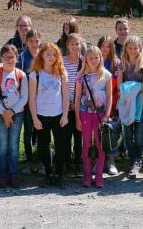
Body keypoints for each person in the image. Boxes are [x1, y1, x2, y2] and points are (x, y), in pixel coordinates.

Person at [28, 43, 69, 187]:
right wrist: (34, 118)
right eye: (48, 54)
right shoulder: (35, 74)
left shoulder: (62, 73)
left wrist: (65, 115)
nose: (51, 57)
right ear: (42, 56)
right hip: (41, 116)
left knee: (60, 147)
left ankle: (59, 175)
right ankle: (48, 173)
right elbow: (32, 98)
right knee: (44, 146)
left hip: (58, 116)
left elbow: (65, 96)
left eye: (54, 54)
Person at [0, 45, 29, 188]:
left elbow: (24, 97)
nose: (9, 60)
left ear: (16, 58)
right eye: (6, 57)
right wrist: (4, 112)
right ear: (1, 58)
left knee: (13, 145)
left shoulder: (21, 75)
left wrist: (11, 112)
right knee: (2, 145)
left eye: (12, 57)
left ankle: (13, 174)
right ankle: (1, 174)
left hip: (16, 115)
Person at [74, 46, 113, 188]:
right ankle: (87, 175)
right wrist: (77, 118)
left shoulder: (106, 75)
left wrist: (107, 114)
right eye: (90, 57)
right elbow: (78, 98)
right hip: (85, 114)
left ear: (100, 58)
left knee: (100, 145)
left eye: (96, 57)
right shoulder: (81, 76)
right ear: (86, 59)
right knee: (86, 144)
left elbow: (109, 96)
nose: (94, 60)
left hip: (100, 114)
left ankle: (99, 176)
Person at [117, 36, 143, 179]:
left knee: (140, 134)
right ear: (126, 49)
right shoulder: (122, 65)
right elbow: (119, 86)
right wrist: (136, 87)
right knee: (128, 133)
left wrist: (131, 88)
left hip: (140, 104)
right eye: (130, 48)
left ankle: (138, 161)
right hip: (126, 104)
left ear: (140, 49)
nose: (133, 50)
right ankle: (131, 160)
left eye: (136, 48)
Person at [18, 29, 42, 174]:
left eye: (36, 41)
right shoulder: (21, 58)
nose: (34, 44)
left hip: (43, 102)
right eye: (31, 41)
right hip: (27, 102)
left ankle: (40, 160)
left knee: (41, 131)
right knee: (27, 131)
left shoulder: (45, 57)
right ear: (26, 42)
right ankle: (29, 160)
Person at [98, 35, 121, 175]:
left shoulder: (116, 63)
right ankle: (97, 161)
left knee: (112, 132)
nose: (105, 49)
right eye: (103, 45)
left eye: (108, 46)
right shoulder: (94, 60)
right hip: (97, 102)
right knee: (97, 132)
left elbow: (118, 83)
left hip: (112, 101)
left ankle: (111, 161)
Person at [62, 34, 84, 177]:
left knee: (79, 136)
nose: (75, 47)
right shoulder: (62, 61)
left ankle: (79, 164)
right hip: (65, 105)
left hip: (80, 106)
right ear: (67, 46)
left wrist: (77, 103)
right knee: (66, 136)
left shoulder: (84, 62)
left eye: (77, 44)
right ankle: (67, 164)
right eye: (72, 44)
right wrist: (67, 103)